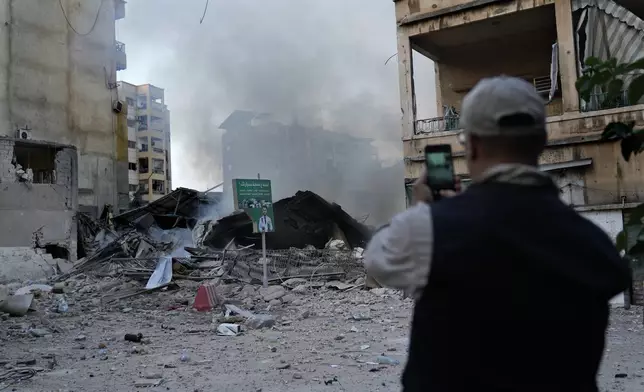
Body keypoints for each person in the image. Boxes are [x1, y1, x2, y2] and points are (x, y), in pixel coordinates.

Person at [364, 76, 631, 392]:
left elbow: (376, 258)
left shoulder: (430, 230)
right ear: (542, 142)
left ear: (473, 144)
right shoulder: (595, 243)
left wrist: (426, 209)